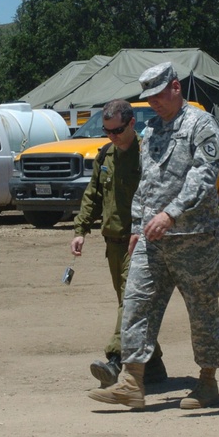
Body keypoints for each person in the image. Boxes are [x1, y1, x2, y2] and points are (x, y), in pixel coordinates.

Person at [88, 61, 219, 411]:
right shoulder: (152, 131)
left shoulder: (202, 125)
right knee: (136, 304)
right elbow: (145, 184)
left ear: (176, 87)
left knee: (202, 311)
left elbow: (204, 176)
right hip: (152, 239)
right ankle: (132, 382)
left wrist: (171, 212)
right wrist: (138, 226)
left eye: (158, 95)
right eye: (148, 97)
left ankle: (207, 381)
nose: (153, 102)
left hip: (195, 237)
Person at [71, 99, 167, 388]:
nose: (111, 136)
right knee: (130, 306)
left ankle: (114, 360)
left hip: (138, 243)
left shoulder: (146, 155)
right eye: (107, 130)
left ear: (132, 124)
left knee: (130, 302)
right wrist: (80, 230)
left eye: (117, 130)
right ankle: (154, 366)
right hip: (112, 244)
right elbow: (93, 195)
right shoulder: (105, 156)